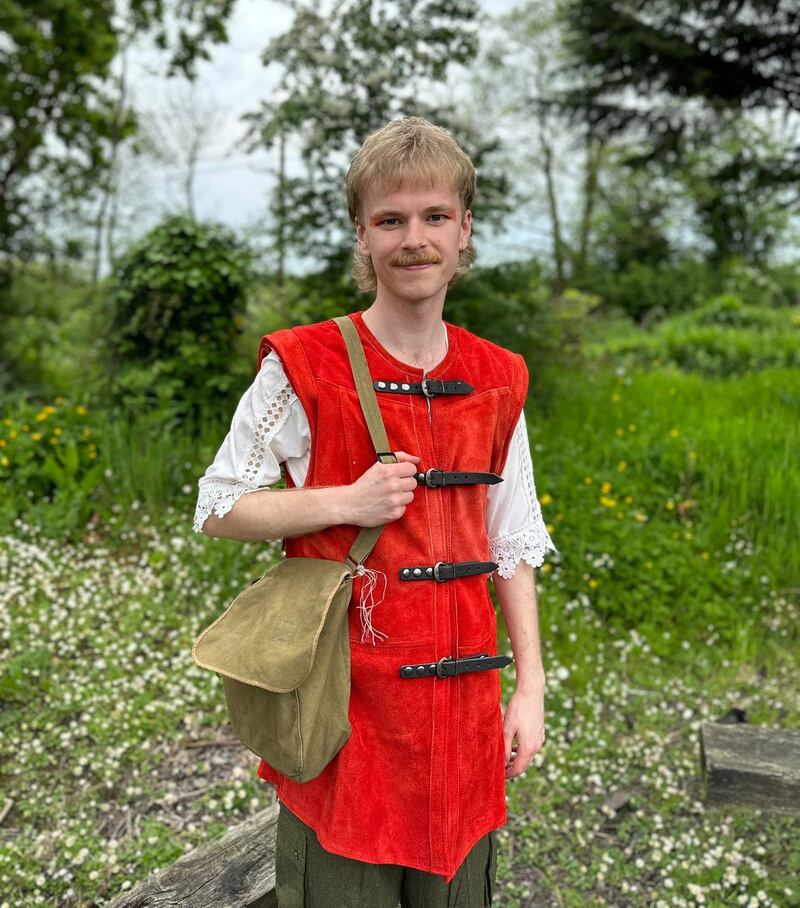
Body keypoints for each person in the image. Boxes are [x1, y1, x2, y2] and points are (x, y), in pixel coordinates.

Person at [193, 116, 558, 908]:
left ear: (465, 230)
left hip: (463, 725)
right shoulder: (306, 364)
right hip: (344, 721)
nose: (414, 239)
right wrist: (345, 502)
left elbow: (513, 542)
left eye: (434, 217)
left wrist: (527, 688)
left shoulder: (497, 378)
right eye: (391, 220)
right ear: (363, 235)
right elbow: (220, 505)